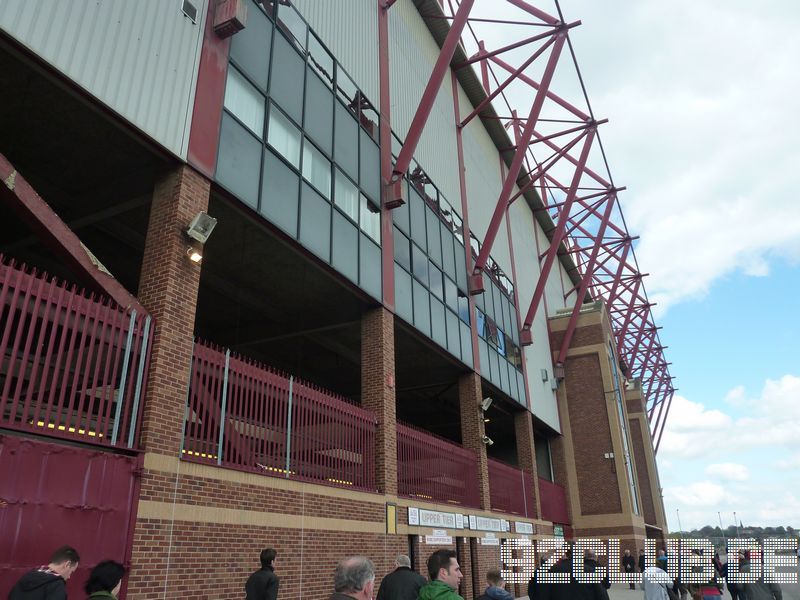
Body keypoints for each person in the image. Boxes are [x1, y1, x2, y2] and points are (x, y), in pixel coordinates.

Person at [8, 545, 81, 600]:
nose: (69, 577)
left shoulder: (28, 576)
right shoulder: (56, 586)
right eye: (71, 572)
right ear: (67, 564)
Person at [536, 546, 608, 600]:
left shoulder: (551, 571)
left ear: (564, 554)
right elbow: (602, 596)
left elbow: (544, 595)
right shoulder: (588, 570)